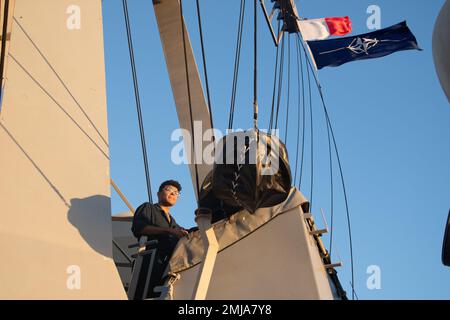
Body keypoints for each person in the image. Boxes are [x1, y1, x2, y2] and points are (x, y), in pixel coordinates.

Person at [131, 180, 188, 298]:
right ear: (158, 194)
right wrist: (169, 231)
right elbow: (139, 228)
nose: (173, 194)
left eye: (176, 193)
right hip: (149, 264)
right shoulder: (148, 208)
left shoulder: (173, 222)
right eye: (169, 190)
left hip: (167, 268)